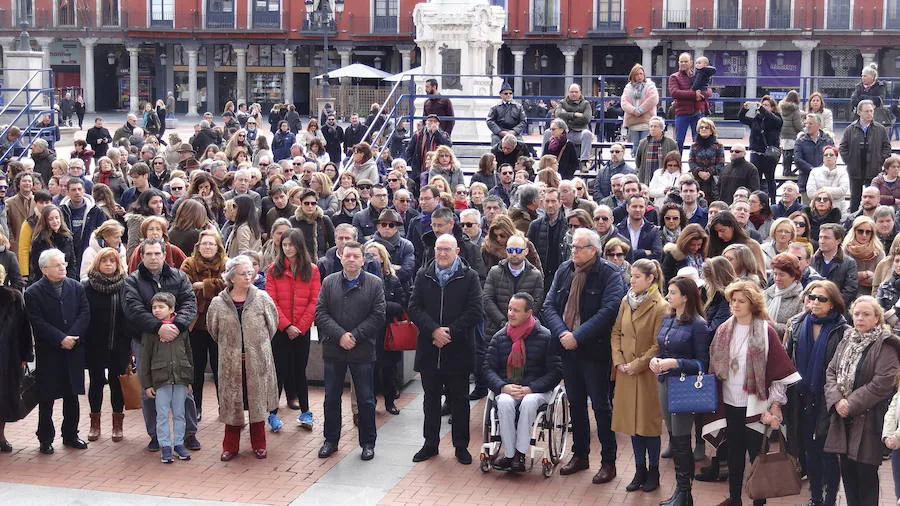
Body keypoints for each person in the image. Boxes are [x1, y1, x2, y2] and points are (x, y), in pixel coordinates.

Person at [703, 280, 800, 506]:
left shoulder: (766, 331)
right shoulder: (724, 329)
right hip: (729, 401)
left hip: (757, 402)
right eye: (733, 301)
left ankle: (759, 499)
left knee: (758, 454)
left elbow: (778, 372)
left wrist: (775, 404)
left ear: (753, 304)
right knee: (734, 452)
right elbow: (715, 367)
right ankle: (735, 498)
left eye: (741, 301)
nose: (735, 305)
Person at [543, 228, 627, 483]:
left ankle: (609, 462)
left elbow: (609, 310)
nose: (573, 252)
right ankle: (580, 455)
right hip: (568, 351)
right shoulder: (564, 270)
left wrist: (577, 336)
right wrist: (562, 334)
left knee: (601, 407)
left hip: (595, 351)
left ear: (594, 250)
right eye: (572, 247)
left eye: (578, 248)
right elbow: (548, 305)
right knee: (575, 404)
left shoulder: (609, 274)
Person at [408, 234, 483, 465]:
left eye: (447, 250)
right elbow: (413, 307)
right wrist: (433, 331)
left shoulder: (469, 277)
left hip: (457, 350)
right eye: (438, 249)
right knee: (430, 400)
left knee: (460, 401)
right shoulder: (424, 275)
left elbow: (474, 310)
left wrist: (448, 332)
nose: (441, 254)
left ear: (457, 251)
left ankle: (461, 446)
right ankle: (430, 444)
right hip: (430, 349)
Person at [123, 238, 200, 452]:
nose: (154, 258)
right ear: (141, 255)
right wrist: (158, 328)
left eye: (157, 253)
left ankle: (189, 433)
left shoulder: (179, 277)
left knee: (183, 386)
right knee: (149, 390)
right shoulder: (132, 281)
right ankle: (156, 435)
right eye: (149, 254)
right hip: (146, 341)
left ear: (164, 254)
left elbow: (189, 303)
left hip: (177, 339)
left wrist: (176, 325)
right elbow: (133, 310)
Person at [824, 296, 900, 506]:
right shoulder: (848, 338)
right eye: (856, 314)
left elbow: (883, 382)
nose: (860, 318)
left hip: (869, 419)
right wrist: (838, 401)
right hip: (843, 419)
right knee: (848, 474)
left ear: (877, 318)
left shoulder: (886, 343)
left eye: (866, 314)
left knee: (866, 475)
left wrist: (851, 403)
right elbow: (831, 371)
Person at [315, 241, 385, 462]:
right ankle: (330, 440)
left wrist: (354, 335)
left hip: (362, 349)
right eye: (348, 256)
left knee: (365, 399)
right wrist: (340, 336)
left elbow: (378, 315)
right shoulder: (328, 282)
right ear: (341, 258)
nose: (352, 259)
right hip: (334, 349)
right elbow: (321, 313)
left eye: (356, 256)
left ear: (363, 259)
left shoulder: (374, 283)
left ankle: (368, 443)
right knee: (331, 398)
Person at [206, 255, 279, 461]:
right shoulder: (218, 303)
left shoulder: (262, 298)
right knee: (232, 404)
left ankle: (259, 444)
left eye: (250, 273)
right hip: (231, 363)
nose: (248, 277)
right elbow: (214, 330)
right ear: (231, 277)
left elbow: (272, 326)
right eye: (242, 274)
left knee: (257, 403)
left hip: (257, 361)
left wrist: (256, 346)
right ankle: (230, 446)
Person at [783, 280, 848, 506]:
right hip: (801, 396)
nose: (815, 302)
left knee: (828, 452)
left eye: (822, 299)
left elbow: (843, 368)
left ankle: (829, 499)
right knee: (808, 450)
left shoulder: (842, 330)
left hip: (827, 398)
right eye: (811, 297)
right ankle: (815, 498)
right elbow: (787, 358)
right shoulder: (797, 324)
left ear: (833, 304)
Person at [484, 292, 561, 472]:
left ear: (529, 313)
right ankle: (510, 455)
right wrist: (503, 387)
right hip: (508, 387)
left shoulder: (546, 337)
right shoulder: (500, 337)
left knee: (528, 403)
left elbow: (556, 372)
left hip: (536, 390)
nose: (510, 313)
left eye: (516, 310)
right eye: (510, 309)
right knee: (503, 401)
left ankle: (520, 453)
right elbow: (487, 368)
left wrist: (531, 388)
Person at [25, 249, 90, 454]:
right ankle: (45, 438)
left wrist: (72, 336)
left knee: (72, 395)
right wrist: (60, 338)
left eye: (63, 263)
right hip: (50, 351)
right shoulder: (33, 292)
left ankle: (71, 434)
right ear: (44, 269)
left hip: (74, 349)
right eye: (57, 265)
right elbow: (37, 322)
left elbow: (84, 313)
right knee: (47, 397)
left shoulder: (76, 286)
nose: (63, 267)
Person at [611, 259, 668, 493]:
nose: (631, 280)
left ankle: (653, 471)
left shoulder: (661, 306)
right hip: (626, 372)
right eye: (631, 276)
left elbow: (658, 344)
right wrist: (619, 361)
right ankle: (639, 470)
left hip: (646, 375)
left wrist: (636, 364)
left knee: (649, 426)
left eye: (636, 276)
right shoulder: (626, 300)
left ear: (650, 279)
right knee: (632, 425)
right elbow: (616, 332)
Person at [651, 275, 708, 505]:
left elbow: (703, 364)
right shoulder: (668, 318)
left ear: (685, 296)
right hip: (665, 383)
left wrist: (676, 363)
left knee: (683, 441)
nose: (668, 296)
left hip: (684, 386)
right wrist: (655, 361)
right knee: (675, 439)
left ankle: (685, 493)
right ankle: (680, 492)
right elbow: (662, 349)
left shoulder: (698, 324)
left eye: (672, 293)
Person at [266, 228, 320, 429]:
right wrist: (286, 325)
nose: (288, 248)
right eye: (284, 245)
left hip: (302, 331)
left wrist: (300, 326)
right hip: (281, 331)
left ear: (299, 245)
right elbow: (271, 301)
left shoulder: (312, 270)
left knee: (300, 371)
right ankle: (272, 413)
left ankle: (306, 412)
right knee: (278, 371)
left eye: (291, 244)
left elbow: (314, 301)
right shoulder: (273, 269)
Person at [82, 246, 130, 443]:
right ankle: (95, 424)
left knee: (117, 384)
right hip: (95, 344)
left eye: (112, 261)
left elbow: (131, 315)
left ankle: (117, 425)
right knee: (96, 383)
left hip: (119, 344)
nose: (108, 264)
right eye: (105, 261)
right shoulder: (87, 286)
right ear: (97, 263)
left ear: (118, 264)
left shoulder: (126, 285)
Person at [139, 292, 193, 464]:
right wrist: (147, 384)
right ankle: (165, 445)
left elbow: (189, 355)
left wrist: (189, 380)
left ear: (171, 309)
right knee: (162, 414)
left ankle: (178, 443)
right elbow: (145, 359)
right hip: (160, 380)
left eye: (161, 307)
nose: (156, 310)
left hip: (180, 379)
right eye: (154, 307)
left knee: (179, 413)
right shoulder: (150, 332)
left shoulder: (181, 330)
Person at [178, 230, 226, 422]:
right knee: (195, 370)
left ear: (218, 247)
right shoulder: (189, 263)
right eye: (204, 244)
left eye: (211, 244)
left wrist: (203, 285)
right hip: (195, 324)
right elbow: (183, 287)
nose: (208, 247)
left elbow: (228, 285)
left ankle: (225, 407)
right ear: (198, 246)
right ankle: (195, 407)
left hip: (219, 324)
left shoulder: (226, 263)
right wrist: (211, 286)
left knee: (220, 370)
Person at [364, 241, 408, 415]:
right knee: (370, 371)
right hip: (368, 332)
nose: (371, 259)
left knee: (388, 370)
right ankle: (371, 402)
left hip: (388, 332)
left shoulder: (392, 279)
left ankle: (390, 402)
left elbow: (401, 305)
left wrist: (380, 304)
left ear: (382, 258)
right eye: (368, 255)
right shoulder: (361, 279)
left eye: (374, 255)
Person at [483, 235, 545, 338]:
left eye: (518, 250)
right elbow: (487, 299)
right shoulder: (494, 272)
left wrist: (520, 322)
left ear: (526, 251)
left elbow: (537, 303)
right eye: (510, 250)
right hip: (496, 330)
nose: (514, 254)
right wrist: (503, 322)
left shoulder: (535, 275)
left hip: (525, 332)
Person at [0, 263, 32, 451]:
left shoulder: (13, 297)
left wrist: (25, 354)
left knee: (3, 398)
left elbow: (23, 328)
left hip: (8, 357)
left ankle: (1, 437)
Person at [840, 100, 892, 211]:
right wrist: (848, 160)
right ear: (859, 112)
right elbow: (843, 147)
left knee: (872, 199)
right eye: (867, 111)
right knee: (855, 199)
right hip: (855, 170)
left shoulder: (880, 129)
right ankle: (853, 221)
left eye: (871, 111)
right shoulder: (850, 129)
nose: (870, 113)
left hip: (873, 169)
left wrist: (880, 160)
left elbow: (887, 147)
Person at [739, 96, 783, 202]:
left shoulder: (777, 119)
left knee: (770, 178)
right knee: (755, 179)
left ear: (773, 107)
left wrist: (762, 109)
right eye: (762, 105)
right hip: (756, 153)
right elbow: (741, 118)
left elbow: (771, 118)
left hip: (769, 154)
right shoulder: (756, 119)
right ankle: (756, 201)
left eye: (766, 105)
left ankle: (772, 201)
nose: (763, 107)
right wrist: (744, 109)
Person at [669, 53, 712, 150]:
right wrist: (694, 95)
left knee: (699, 141)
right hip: (682, 112)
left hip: (698, 112)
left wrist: (699, 94)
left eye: (685, 61)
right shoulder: (674, 77)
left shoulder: (699, 75)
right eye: (681, 61)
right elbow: (675, 93)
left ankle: (698, 163)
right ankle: (676, 163)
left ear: (691, 63)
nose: (683, 63)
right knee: (678, 141)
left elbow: (708, 91)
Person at [813, 223, 860, 310]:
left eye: (826, 238)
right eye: (820, 237)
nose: (822, 241)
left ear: (838, 241)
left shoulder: (849, 263)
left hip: (837, 311)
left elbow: (850, 290)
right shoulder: (813, 260)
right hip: (814, 307)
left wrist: (831, 304)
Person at [527, 187, 567, 288]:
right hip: (541, 274)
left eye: (553, 201)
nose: (550, 205)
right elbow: (529, 250)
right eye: (547, 201)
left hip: (561, 274)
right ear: (542, 203)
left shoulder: (567, 224)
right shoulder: (535, 225)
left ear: (560, 202)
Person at [29, 205, 77, 283]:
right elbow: (37, 267)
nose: (55, 221)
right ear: (45, 221)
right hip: (47, 282)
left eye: (57, 218)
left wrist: (70, 281)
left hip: (66, 281)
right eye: (51, 219)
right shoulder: (40, 241)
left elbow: (72, 263)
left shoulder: (67, 237)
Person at [761, 253, 805, 338]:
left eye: (782, 275)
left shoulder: (800, 299)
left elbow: (798, 330)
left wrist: (774, 326)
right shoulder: (766, 293)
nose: (777, 278)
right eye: (775, 274)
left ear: (793, 276)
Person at [551, 84, 594, 163]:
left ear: (580, 93)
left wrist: (567, 118)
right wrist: (575, 115)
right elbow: (558, 115)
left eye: (576, 92)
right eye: (572, 92)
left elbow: (586, 119)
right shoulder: (562, 103)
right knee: (547, 132)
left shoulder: (586, 104)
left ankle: (583, 162)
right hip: (562, 133)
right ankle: (544, 160)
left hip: (579, 132)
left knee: (587, 134)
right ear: (568, 93)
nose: (574, 94)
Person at [795, 113, 835, 196]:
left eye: (811, 124)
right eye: (806, 124)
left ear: (819, 125)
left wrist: (820, 170)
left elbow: (832, 157)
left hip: (826, 182)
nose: (807, 126)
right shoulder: (800, 141)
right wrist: (813, 170)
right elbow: (798, 160)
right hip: (806, 181)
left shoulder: (828, 140)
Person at [620, 64, 659, 149]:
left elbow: (653, 99)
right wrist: (634, 110)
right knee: (635, 147)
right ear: (633, 75)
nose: (639, 76)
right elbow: (624, 102)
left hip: (647, 121)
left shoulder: (650, 85)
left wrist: (641, 110)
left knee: (645, 146)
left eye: (641, 74)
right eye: (637, 74)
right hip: (633, 122)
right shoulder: (628, 87)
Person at [616, 194, 663, 262]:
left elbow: (657, 256)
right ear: (627, 207)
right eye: (634, 206)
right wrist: (643, 252)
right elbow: (617, 255)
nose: (638, 210)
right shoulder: (618, 230)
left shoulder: (653, 230)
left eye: (641, 207)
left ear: (645, 208)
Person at [688, 117, 725, 203]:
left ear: (711, 130)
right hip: (697, 179)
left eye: (706, 127)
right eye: (701, 127)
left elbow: (720, 163)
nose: (703, 129)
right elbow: (691, 162)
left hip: (713, 180)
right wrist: (699, 172)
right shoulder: (694, 146)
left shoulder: (719, 146)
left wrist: (709, 173)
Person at [405, 114, 452, 181]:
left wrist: (436, 133)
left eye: (435, 121)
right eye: (430, 121)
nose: (432, 123)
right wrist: (412, 165)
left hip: (438, 170)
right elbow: (409, 151)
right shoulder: (417, 135)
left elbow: (447, 146)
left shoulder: (444, 135)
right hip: (419, 169)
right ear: (426, 123)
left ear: (438, 124)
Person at [634, 117, 678, 185]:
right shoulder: (643, 143)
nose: (652, 128)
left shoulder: (671, 143)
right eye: (651, 126)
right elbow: (638, 161)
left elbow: (676, 161)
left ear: (662, 128)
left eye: (655, 126)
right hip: (646, 179)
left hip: (664, 180)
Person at [807, 145, 850, 213]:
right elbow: (811, 193)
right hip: (817, 210)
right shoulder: (814, 172)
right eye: (826, 155)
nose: (828, 156)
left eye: (831, 155)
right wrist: (832, 195)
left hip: (838, 209)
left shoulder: (843, 173)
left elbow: (842, 190)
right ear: (823, 158)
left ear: (836, 157)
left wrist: (823, 190)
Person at [779, 91, 804, 177]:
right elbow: (797, 124)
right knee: (790, 153)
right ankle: (788, 171)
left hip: (783, 133)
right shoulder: (794, 109)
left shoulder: (781, 107)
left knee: (785, 153)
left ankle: (785, 169)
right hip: (792, 134)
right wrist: (802, 131)